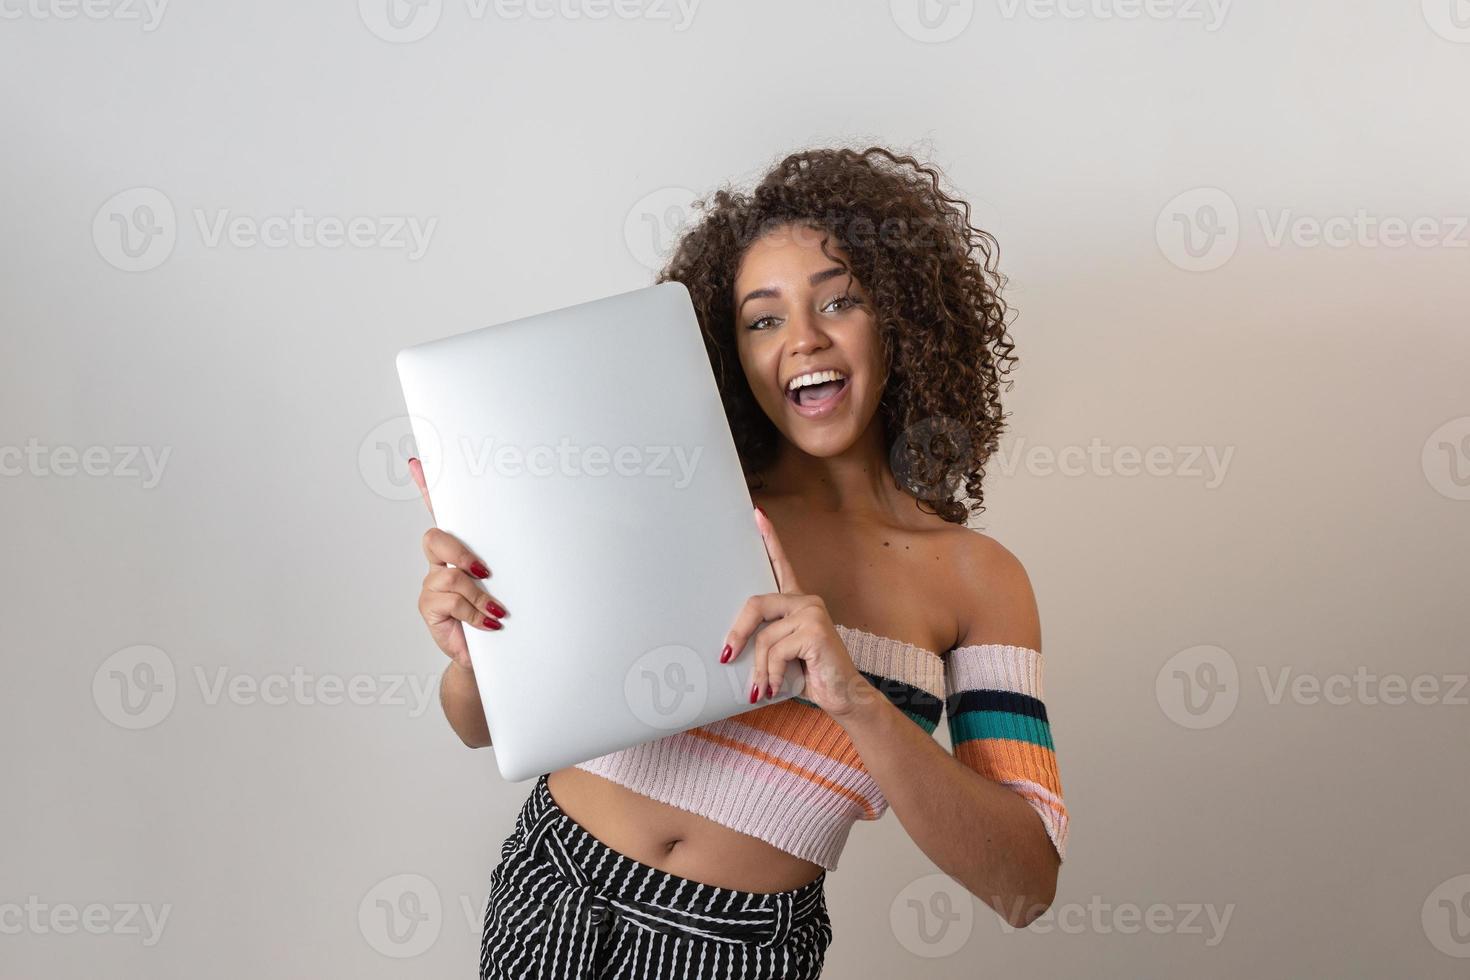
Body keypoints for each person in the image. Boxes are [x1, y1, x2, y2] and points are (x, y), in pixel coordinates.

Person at [410, 146, 1069, 979]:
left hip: (741, 948)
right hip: (554, 893)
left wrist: (853, 698)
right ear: (730, 352)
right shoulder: (669, 489)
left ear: (901, 320)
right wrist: (476, 652)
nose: (803, 339)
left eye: (840, 301)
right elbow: (476, 728)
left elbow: (1024, 884)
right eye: (763, 318)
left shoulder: (977, 580)